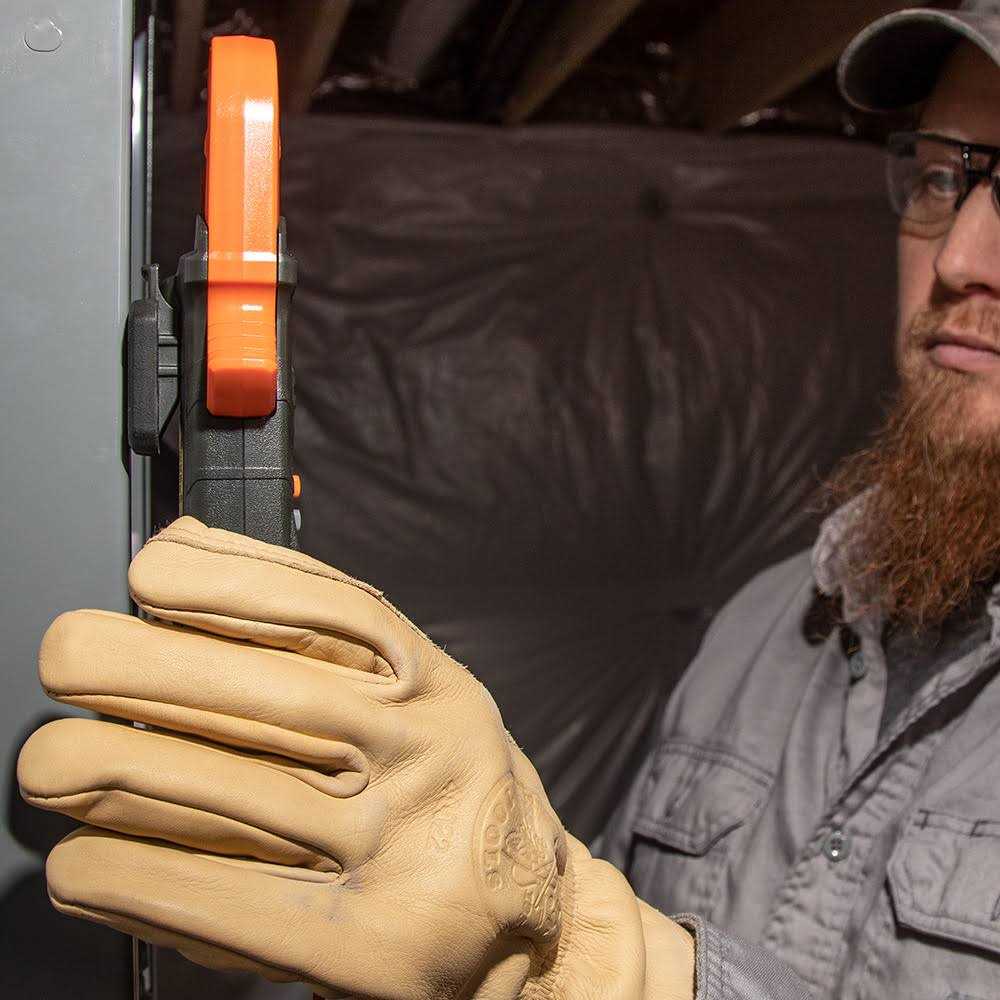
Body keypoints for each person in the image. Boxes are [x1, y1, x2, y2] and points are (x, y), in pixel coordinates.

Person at [15, 2, 1000, 998]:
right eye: (940, 176)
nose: (960, 258)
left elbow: (598, 944)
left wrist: (583, 954)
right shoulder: (767, 627)